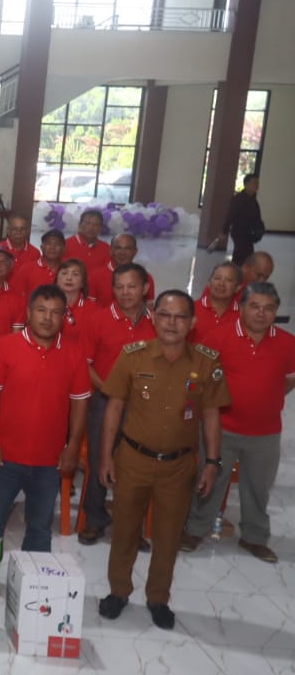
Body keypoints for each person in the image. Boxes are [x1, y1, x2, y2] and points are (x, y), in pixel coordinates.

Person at [97, 290, 229, 631]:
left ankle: (158, 598)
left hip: (179, 466)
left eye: (181, 316)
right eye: (166, 315)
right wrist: (105, 457)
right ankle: (118, 592)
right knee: (125, 530)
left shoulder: (206, 362)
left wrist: (213, 462)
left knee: (168, 536)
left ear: (192, 322)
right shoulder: (132, 357)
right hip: (133, 459)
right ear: (154, 318)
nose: (172, 323)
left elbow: (212, 414)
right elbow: (114, 408)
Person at [182, 282, 294, 563]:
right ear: (241, 307)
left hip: (265, 432)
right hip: (222, 428)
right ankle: (196, 530)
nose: (261, 313)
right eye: (254, 306)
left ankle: (254, 538)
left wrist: (264, 397)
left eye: (268, 308)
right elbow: (199, 379)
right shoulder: (219, 338)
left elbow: (290, 378)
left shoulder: (287, 343)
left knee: (258, 487)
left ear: (276, 311)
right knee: (210, 482)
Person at [0, 285, 90, 552]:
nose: (47, 318)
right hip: (5, 455)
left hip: (49, 461)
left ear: (65, 316)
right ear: (28, 312)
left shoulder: (75, 352)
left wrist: (73, 446)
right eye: (41, 310)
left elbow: (80, 403)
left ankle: (34, 590)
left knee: (41, 529)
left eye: (56, 312)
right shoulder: (5, 346)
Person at [78, 263, 157, 546]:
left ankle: (130, 525)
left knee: (136, 465)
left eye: (132, 286)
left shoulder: (157, 322)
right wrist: (111, 390)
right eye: (120, 287)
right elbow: (84, 365)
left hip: (144, 406)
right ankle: (94, 519)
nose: (125, 293)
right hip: (104, 399)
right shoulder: (97, 320)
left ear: (146, 288)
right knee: (101, 458)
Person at [89, 233, 154, 308]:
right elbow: (90, 308)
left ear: (135, 252)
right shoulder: (95, 276)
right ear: (111, 251)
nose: (122, 253)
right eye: (118, 248)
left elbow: (149, 310)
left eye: (127, 249)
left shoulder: (146, 277)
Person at [190, 262, 240, 343]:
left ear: (237, 288)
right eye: (217, 278)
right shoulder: (191, 309)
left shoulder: (244, 315)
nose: (221, 283)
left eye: (228, 280)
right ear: (209, 283)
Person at [221, 172, 263, 267]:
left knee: (247, 255)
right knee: (241, 255)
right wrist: (224, 231)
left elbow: (257, 217)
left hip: (249, 234)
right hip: (239, 232)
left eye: (257, 183)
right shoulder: (239, 199)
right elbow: (230, 215)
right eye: (254, 183)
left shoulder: (253, 200)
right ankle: (235, 274)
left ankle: (240, 274)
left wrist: (260, 229)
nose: (257, 186)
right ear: (246, 184)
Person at [12, 228, 65, 298]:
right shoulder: (27, 268)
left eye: (57, 244)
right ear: (42, 247)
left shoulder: (68, 269)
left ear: (63, 248)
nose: (52, 247)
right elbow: (15, 295)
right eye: (48, 243)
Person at [56, 259, 99, 345]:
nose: (69, 278)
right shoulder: (46, 305)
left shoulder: (95, 310)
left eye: (75, 274)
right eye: (64, 273)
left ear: (83, 282)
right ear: (57, 279)